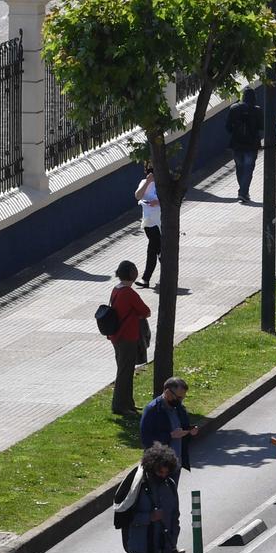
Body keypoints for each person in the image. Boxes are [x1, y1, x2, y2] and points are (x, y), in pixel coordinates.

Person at [123, 443, 184, 553]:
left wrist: (173, 539)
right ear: (151, 467)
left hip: (165, 551)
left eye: (166, 472)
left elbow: (175, 516)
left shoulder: (170, 485)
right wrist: (148, 517)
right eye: (160, 472)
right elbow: (125, 518)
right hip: (141, 551)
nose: (163, 475)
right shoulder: (138, 487)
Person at [106, 260, 152, 417]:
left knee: (124, 369)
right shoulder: (129, 293)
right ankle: (120, 405)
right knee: (125, 372)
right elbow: (146, 311)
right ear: (132, 274)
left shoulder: (116, 289)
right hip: (127, 336)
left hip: (117, 336)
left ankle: (128, 403)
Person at [139, 375, 199, 468]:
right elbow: (146, 439)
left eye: (183, 397)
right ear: (167, 392)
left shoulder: (180, 408)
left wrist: (191, 430)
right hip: (159, 465)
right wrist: (170, 435)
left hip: (176, 462)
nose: (181, 401)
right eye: (179, 397)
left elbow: (183, 428)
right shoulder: (153, 410)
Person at [226, 86, 263, 202]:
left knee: (240, 168)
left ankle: (243, 191)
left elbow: (228, 127)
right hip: (251, 144)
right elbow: (262, 126)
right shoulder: (257, 110)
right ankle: (243, 192)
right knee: (248, 168)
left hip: (237, 143)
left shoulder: (234, 108)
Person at [135, 173, 163, 289]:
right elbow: (138, 196)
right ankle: (163, 276)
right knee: (158, 249)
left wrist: (158, 202)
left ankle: (146, 279)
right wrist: (147, 182)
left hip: (161, 223)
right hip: (148, 222)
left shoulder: (163, 184)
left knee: (153, 249)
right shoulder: (144, 182)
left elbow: (172, 199)